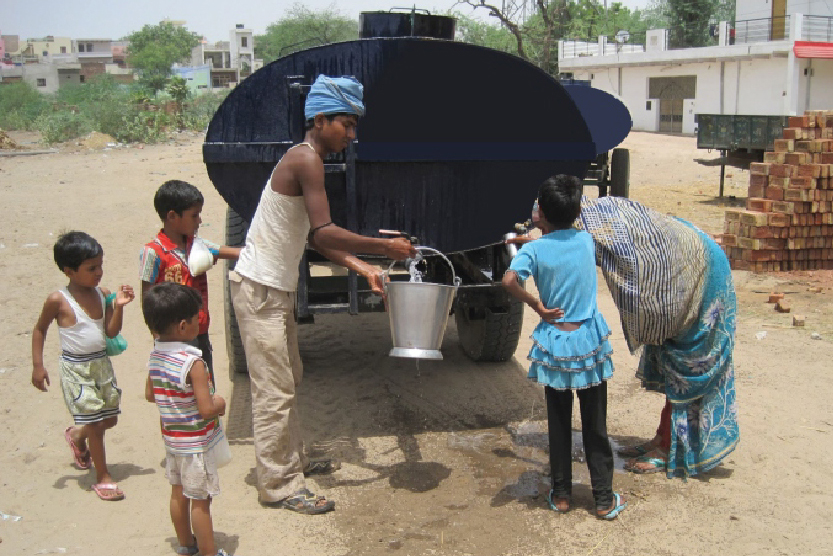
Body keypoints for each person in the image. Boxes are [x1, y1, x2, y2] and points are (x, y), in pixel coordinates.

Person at [229, 74, 416, 513]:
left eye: (353, 127)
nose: (351, 136)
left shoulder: (306, 159)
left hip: (273, 290)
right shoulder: (306, 160)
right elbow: (326, 231)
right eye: (346, 125)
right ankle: (278, 485)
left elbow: (317, 240)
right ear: (320, 118)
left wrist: (363, 266)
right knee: (274, 391)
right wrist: (385, 247)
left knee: (287, 380)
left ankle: (294, 460)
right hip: (260, 290)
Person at [512, 194, 739, 478]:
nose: (541, 233)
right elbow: (565, 245)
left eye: (542, 227)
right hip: (687, 261)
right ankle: (662, 437)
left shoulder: (596, 231)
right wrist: (537, 244)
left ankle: (671, 448)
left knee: (687, 365)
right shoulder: (590, 221)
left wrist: (535, 300)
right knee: (668, 353)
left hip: (702, 274)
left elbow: (559, 252)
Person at [501, 175, 627, 520]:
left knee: (558, 425)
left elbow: (509, 281)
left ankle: (561, 496)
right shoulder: (587, 241)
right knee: (595, 424)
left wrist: (537, 306)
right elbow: (565, 241)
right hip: (588, 344)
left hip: (555, 345)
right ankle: (603, 499)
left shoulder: (533, 251)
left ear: (540, 211)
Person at [31, 231, 135, 501]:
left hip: (101, 366)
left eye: (100, 265)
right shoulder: (58, 300)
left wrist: (119, 306)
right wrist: (38, 366)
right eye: (92, 268)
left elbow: (111, 333)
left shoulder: (103, 294)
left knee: (108, 418)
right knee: (98, 426)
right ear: (69, 271)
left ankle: (78, 436)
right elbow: (40, 329)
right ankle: (103, 477)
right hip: (76, 370)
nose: (99, 272)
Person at [143, 282, 232, 556]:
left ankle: (185, 544)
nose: (199, 322)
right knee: (200, 501)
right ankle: (208, 551)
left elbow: (150, 394)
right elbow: (206, 408)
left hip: (173, 441)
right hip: (195, 445)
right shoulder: (193, 363)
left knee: (178, 493)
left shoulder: (155, 355)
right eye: (196, 318)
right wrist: (219, 403)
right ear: (183, 326)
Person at [139, 180, 241, 384]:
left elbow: (231, 252)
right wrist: (156, 331)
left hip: (199, 332)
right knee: (176, 392)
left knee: (204, 386)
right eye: (194, 215)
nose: (199, 221)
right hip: (171, 338)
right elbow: (147, 295)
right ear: (172, 216)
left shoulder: (198, 247)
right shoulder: (154, 252)